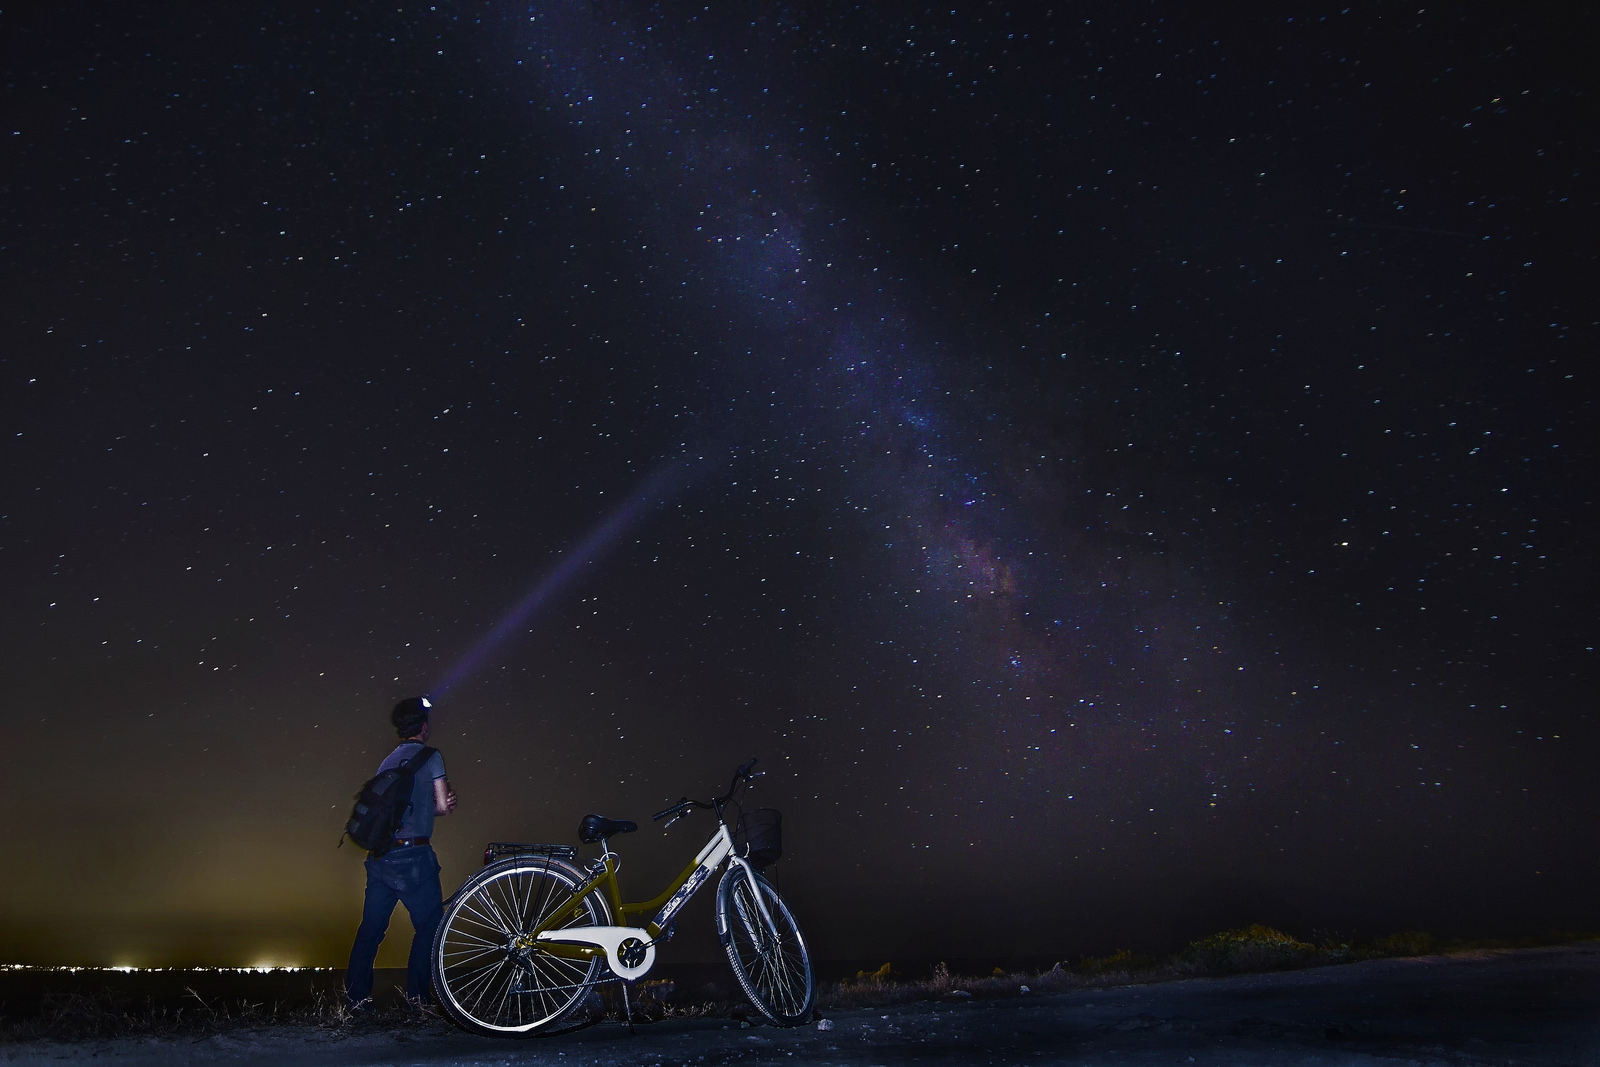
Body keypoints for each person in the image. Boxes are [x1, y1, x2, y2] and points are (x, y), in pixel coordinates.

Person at [345, 696, 458, 1011]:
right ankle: (418, 1000)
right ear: (424, 727)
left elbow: (392, 810)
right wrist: (443, 805)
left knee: (371, 930)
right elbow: (441, 806)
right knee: (430, 927)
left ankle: (356, 999)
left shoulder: (388, 761)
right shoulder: (431, 757)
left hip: (381, 857)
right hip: (414, 859)